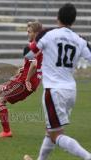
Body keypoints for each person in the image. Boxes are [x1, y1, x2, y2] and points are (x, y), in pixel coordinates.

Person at [24, 3, 91, 160]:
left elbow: (29, 54)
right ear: (73, 21)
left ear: (57, 18)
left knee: (56, 135)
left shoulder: (49, 35)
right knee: (51, 131)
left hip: (53, 91)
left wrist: (39, 43)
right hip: (71, 91)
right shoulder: (79, 40)